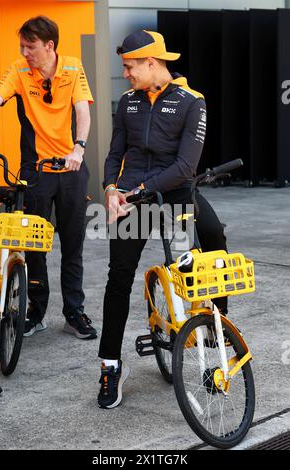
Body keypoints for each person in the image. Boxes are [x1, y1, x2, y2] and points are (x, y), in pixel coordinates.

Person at [97, 30, 228, 408]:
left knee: (212, 242)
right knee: (117, 280)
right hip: (130, 199)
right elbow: (114, 153)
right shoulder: (127, 103)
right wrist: (110, 189)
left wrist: (139, 191)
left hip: (173, 195)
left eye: (129, 67)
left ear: (151, 63)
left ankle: (214, 331)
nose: (125, 74)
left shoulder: (192, 101)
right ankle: (110, 367)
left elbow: (186, 165)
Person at [0, 16, 97, 340]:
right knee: (34, 246)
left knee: (73, 245)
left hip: (71, 171)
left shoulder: (72, 67)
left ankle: (74, 312)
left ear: (49, 45)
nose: (25, 52)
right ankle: (35, 312)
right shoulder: (19, 71)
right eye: (22, 45)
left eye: (30, 46)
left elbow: (82, 111)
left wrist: (78, 148)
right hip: (35, 174)